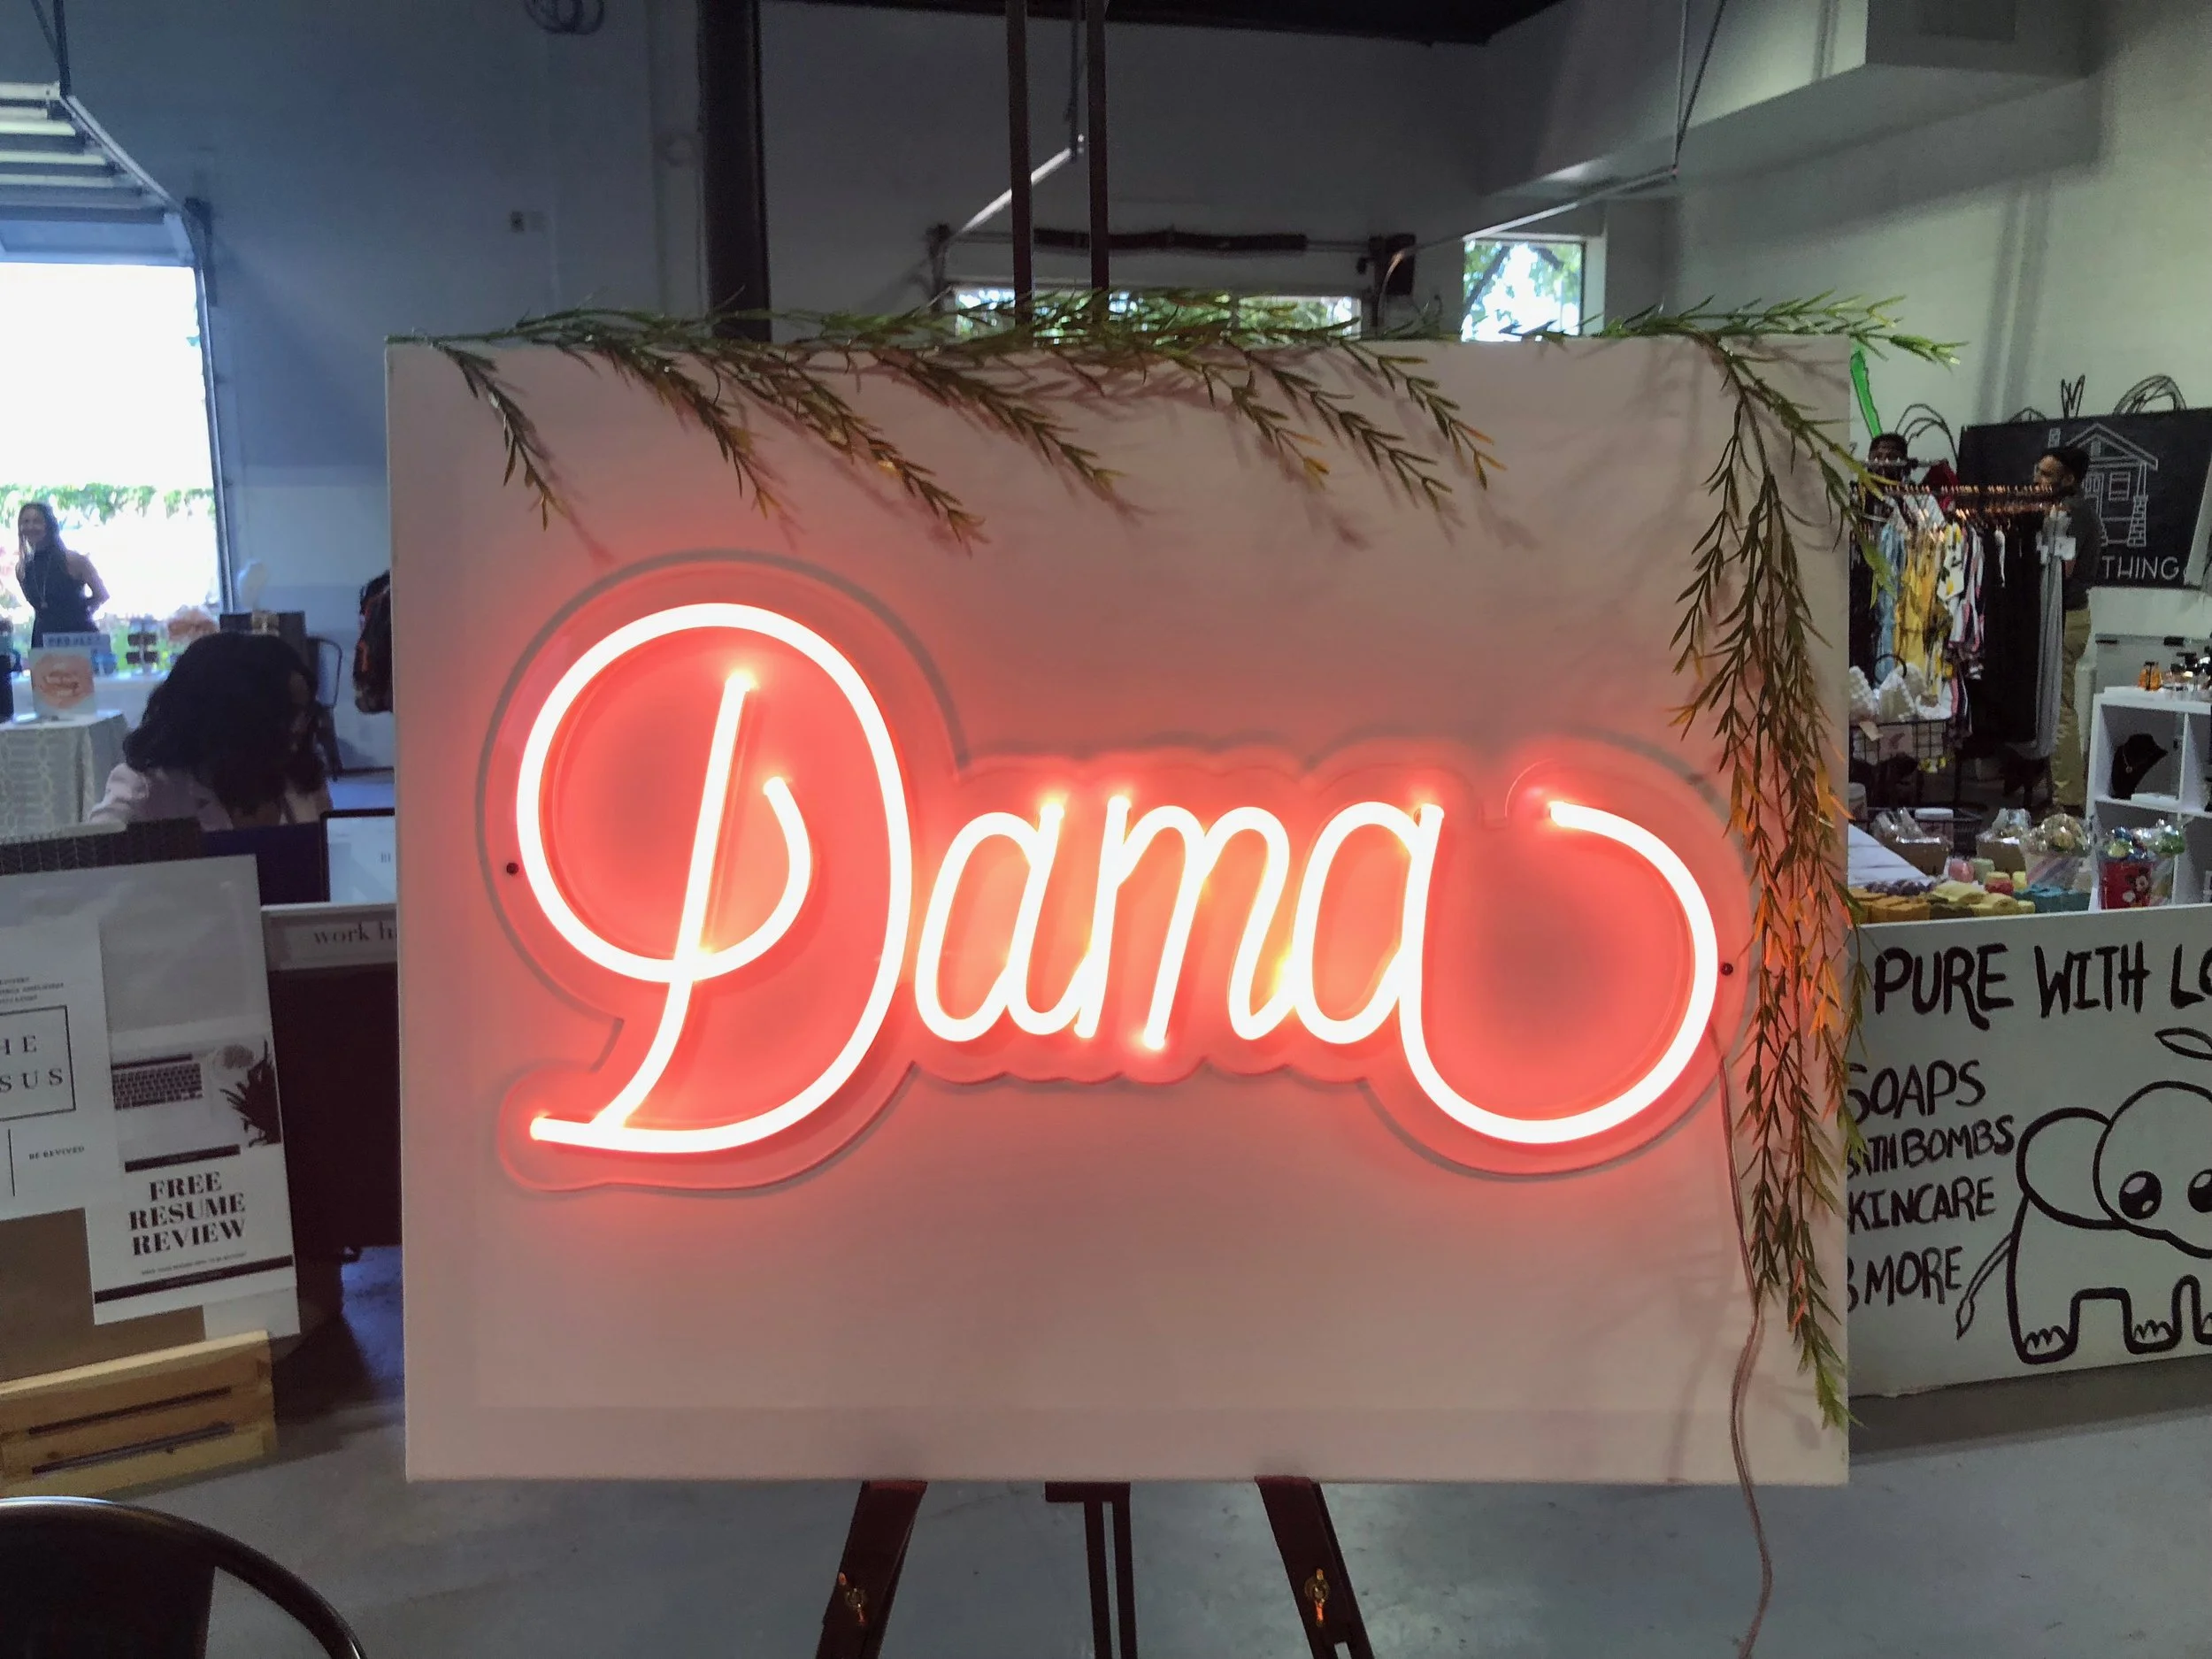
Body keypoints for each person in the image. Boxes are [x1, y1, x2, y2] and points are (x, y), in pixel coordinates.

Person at [87, 632, 330, 829]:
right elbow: (91, 863)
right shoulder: (147, 791)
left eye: (306, 711)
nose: (299, 726)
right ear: (227, 719)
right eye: (284, 714)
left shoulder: (300, 778)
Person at [2038, 444, 2104, 811]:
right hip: (2066, 616)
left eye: (2047, 474)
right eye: (2038, 471)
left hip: (2066, 618)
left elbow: (2063, 571)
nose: (2037, 479)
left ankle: (2068, 801)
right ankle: (2060, 793)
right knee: (2055, 706)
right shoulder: (2064, 509)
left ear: (2069, 479)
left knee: (2060, 709)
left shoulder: (2071, 513)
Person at [12, 501, 109, 646]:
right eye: (25, 522)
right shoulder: (22, 568)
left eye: (37, 521)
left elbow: (102, 595)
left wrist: (81, 612)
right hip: (43, 639)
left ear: (49, 525)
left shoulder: (74, 560)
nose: (30, 527)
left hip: (79, 638)